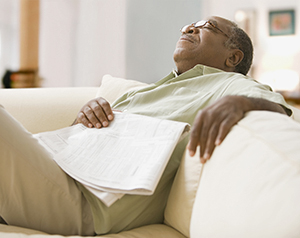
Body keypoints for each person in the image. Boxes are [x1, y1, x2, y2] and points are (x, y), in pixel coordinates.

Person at [0, 16, 291, 236]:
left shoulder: (231, 84)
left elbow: (277, 106)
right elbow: (79, 140)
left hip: (81, 199)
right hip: (56, 167)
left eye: (207, 27)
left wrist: (239, 103)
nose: (188, 29)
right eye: (189, 25)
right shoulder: (144, 92)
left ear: (233, 57)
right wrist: (83, 118)